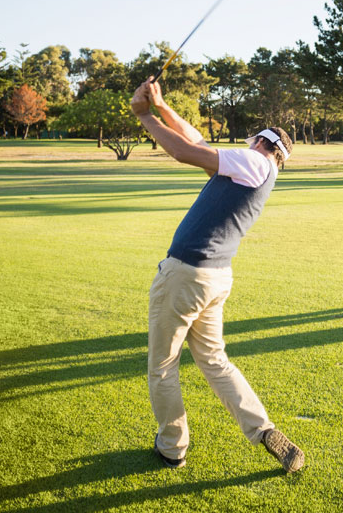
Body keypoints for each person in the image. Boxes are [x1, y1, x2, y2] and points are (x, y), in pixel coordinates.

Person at [129, 77, 304, 474]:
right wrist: (162, 105)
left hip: (186, 277)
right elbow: (199, 143)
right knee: (214, 360)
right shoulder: (259, 170)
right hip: (213, 278)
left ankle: (172, 447)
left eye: (251, 140)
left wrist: (145, 117)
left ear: (260, 143)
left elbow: (183, 151)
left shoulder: (253, 161)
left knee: (162, 366)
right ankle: (263, 430)